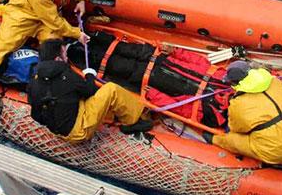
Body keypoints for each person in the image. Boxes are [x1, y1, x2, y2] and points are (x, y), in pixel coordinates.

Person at [66, 31, 230, 127]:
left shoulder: (213, 112)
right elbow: (200, 63)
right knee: (123, 48)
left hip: (150, 78)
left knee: (116, 65)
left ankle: (75, 53)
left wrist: (153, 95)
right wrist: (174, 51)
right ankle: (86, 37)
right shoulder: (224, 82)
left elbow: (178, 107)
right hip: (158, 58)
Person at [202, 61, 282, 164]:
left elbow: (236, 128)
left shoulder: (238, 104)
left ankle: (213, 139)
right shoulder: (274, 81)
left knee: (234, 139)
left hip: (276, 150)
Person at [28, 39, 151, 142]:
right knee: (111, 90)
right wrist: (89, 75)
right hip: (78, 131)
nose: (67, 57)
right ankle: (133, 122)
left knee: (70, 97)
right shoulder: (66, 75)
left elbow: (36, 115)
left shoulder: (34, 80)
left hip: (59, 130)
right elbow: (91, 90)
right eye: (65, 54)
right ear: (58, 59)